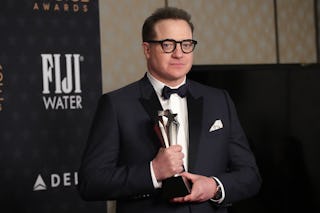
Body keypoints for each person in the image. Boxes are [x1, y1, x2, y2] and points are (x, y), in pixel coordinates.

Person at [78, 7, 261, 213]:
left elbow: (250, 175)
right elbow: (90, 182)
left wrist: (214, 187)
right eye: (167, 45)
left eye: (186, 44)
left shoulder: (219, 100)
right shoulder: (116, 104)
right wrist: (153, 171)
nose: (179, 53)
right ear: (147, 49)